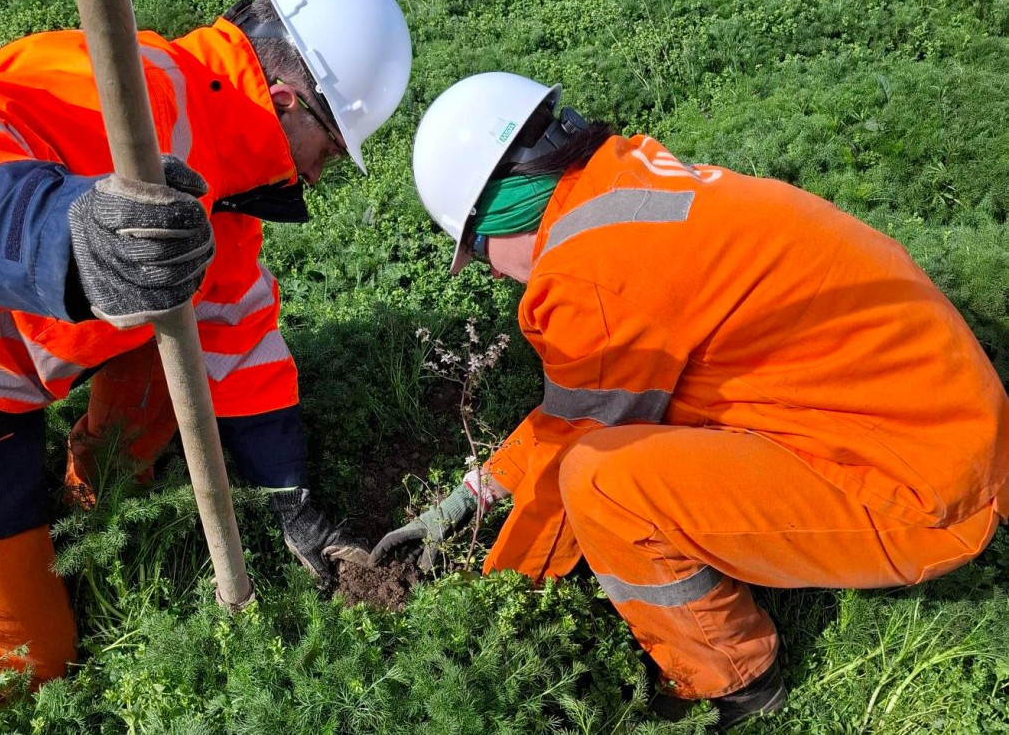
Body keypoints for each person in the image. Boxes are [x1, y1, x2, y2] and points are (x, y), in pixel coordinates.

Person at [375, 72, 1009, 727]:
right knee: (631, 427)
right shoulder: (622, 188)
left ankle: (732, 678)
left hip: (926, 496)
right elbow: (581, 407)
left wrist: (491, 603)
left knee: (601, 483)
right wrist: (471, 497)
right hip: (947, 426)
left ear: (499, 216)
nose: (494, 271)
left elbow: (574, 451)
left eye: (478, 253)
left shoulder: (590, 275)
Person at [0, 0, 411, 682]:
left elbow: (238, 338)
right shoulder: (128, 93)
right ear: (287, 101)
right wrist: (55, 233)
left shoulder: (222, 186)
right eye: (328, 149)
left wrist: (288, 498)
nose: (318, 177)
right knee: (21, 667)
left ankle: (93, 494)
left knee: (182, 331)